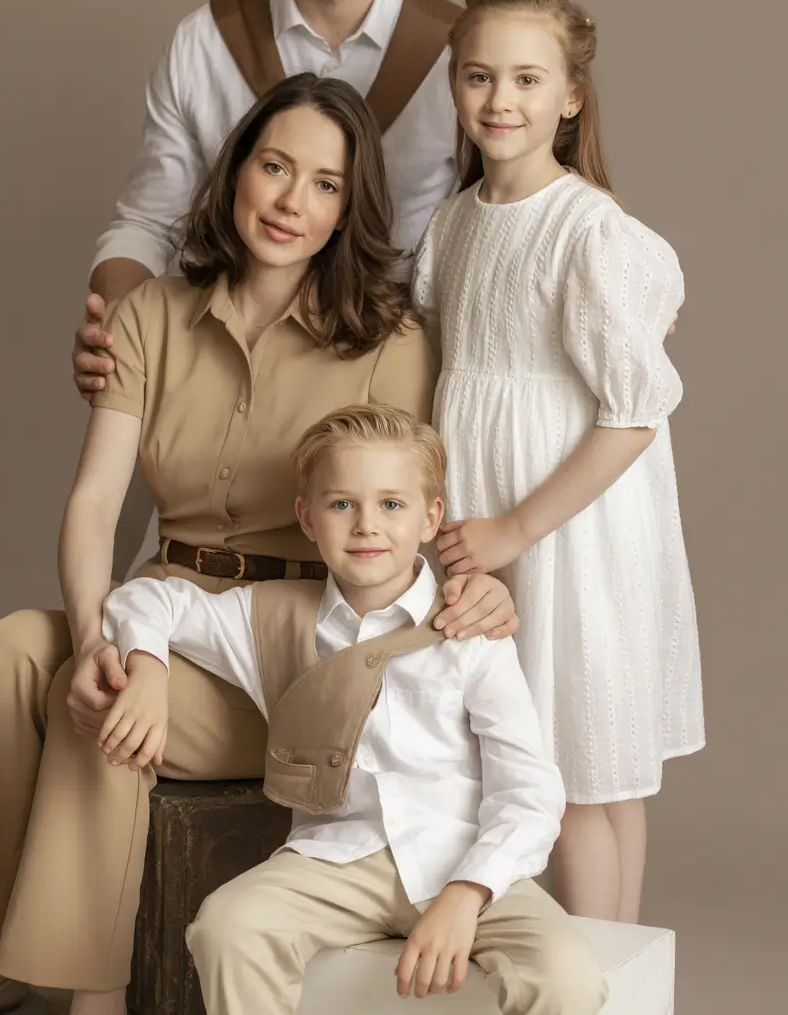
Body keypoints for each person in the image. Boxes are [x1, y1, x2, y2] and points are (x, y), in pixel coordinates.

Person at [0, 75, 517, 1015]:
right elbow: (95, 504)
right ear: (235, 175)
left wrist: (484, 584)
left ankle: (90, 991)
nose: (294, 202)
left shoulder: (389, 340)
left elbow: (415, 504)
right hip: (169, 601)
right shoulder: (154, 316)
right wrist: (107, 642)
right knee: (21, 645)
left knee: (102, 713)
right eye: (275, 167)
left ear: (349, 211)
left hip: (298, 645)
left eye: (327, 185)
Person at [99, 404, 608, 1015]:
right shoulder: (270, 618)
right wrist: (148, 671)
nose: (367, 525)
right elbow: (146, 599)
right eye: (342, 504)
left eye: (392, 504)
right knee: (227, 927)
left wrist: (466, 894)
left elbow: (528, 791)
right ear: (306, 519)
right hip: (336, 861)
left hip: (466, 861)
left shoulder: (470, 628)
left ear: (430, 517)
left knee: (567, 977)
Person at [412, 0, 705, 925]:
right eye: (479, 77)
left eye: (528, 80)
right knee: (552, 769)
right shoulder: (452, 225)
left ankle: (605, 980)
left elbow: (633, 412)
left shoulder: (586, 232)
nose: (501, 101)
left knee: (582, 769)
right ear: (454, 87)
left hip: (567, 525)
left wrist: (515, 529)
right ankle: (609, 981)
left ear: (571, 96)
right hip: (489, 512)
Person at [73, 0, 461, 402]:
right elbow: (149, 219)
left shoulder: (459, 56)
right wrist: (112, 312)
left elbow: (524, 205)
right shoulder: (206, 43)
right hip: (232, 366)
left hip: (403, 386)